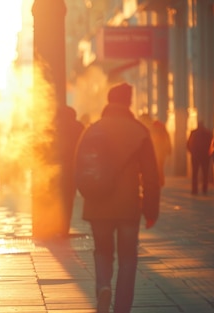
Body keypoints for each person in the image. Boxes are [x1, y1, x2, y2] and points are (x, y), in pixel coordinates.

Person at [77, 83, 160, 313]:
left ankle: (103, 286)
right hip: (127, 208)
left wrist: (86, 192)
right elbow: (152, 176)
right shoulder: (139, 131)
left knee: (102, 251)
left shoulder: (93, 129)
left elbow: (79, 166)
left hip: (97, 205)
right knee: (127, 258)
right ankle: (122, 308)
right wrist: (151, 211)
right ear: (129, 102)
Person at [52, 105, 85, 236]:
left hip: (58, 169)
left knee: (59, 199)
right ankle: (64, 227)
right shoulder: (79, 127)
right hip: (74, 168)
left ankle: (58, 226)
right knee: (68, 200)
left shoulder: (56, 127)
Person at [187, 120, 214, 195]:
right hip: (205, 157)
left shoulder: (194, 133)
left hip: (195, 156)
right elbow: (212, 145)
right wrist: (209, 154)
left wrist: (192, 152)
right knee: (205, 173)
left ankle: (194, 189)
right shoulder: (208, 133)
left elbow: (188, 144)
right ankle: (204, 189)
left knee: (195, 174)